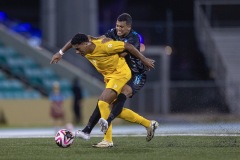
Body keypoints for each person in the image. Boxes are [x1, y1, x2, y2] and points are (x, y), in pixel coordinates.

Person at [50, 32, 155, 147]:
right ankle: (149, 124)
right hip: (109, 78)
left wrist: (144, 60)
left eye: (78, 49)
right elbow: (72, 41)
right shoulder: (86, 43)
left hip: (120, 74)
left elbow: (128, 47)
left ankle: (107, 140)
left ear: (85, 44)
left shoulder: (106, 46)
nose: (77, 52)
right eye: (76, 49)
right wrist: (60, 53)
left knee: (102, 102)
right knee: (115, 110)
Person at [75, 13, 159, 147]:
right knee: (109, 105)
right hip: (121, 73)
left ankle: (104, 130)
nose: (118, 29)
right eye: (117, 25)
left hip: (136, 74)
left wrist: (110, 46)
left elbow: (123, 52)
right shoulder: (113, 32)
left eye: (122, 27)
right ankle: (149, 124)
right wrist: (98, 39)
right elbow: (102, 37)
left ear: (129, 27)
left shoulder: (134, 37)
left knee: (120, 96)